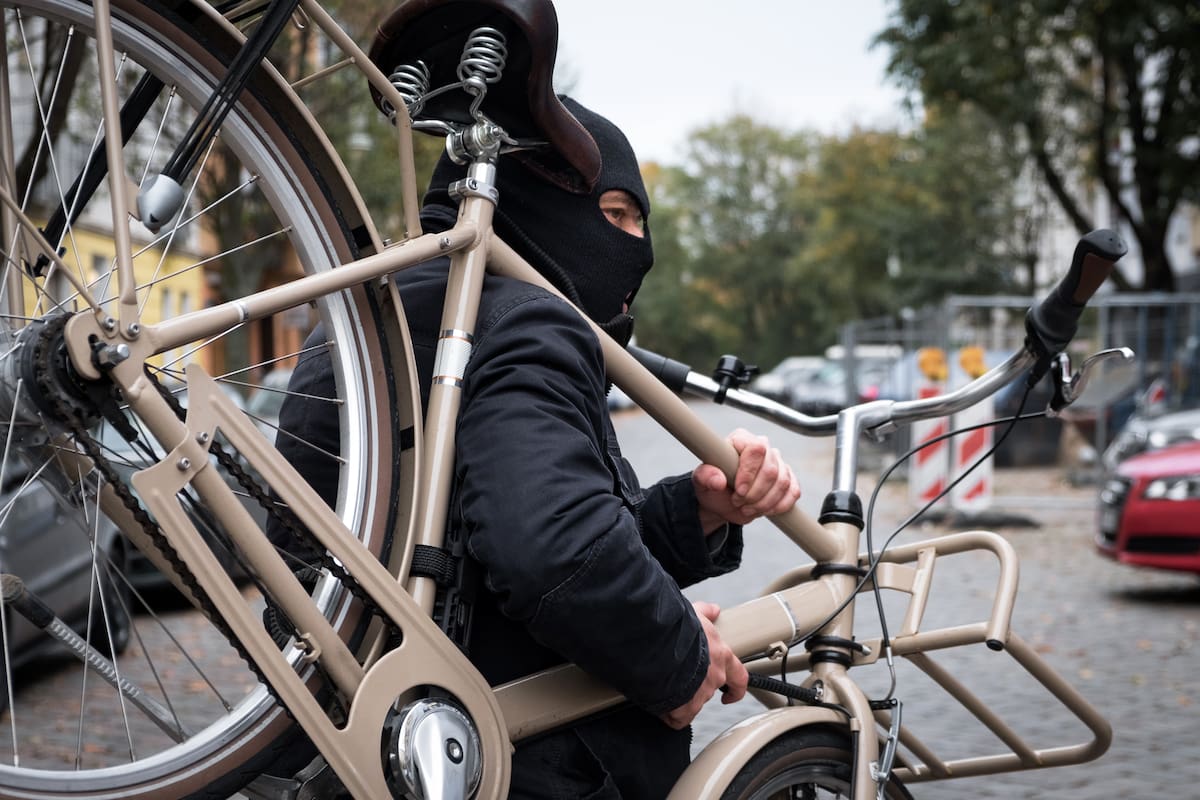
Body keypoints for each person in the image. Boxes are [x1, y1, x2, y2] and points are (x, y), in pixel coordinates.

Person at [272, 96, 800, 799]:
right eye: (615, 215)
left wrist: (697, 509)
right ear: (526, 193)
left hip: (353, 742)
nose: (637, 245)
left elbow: (480, 547)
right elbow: (548, 547)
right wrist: (676, 656)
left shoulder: (354, 326)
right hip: (528, 763)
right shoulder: (528, 319)